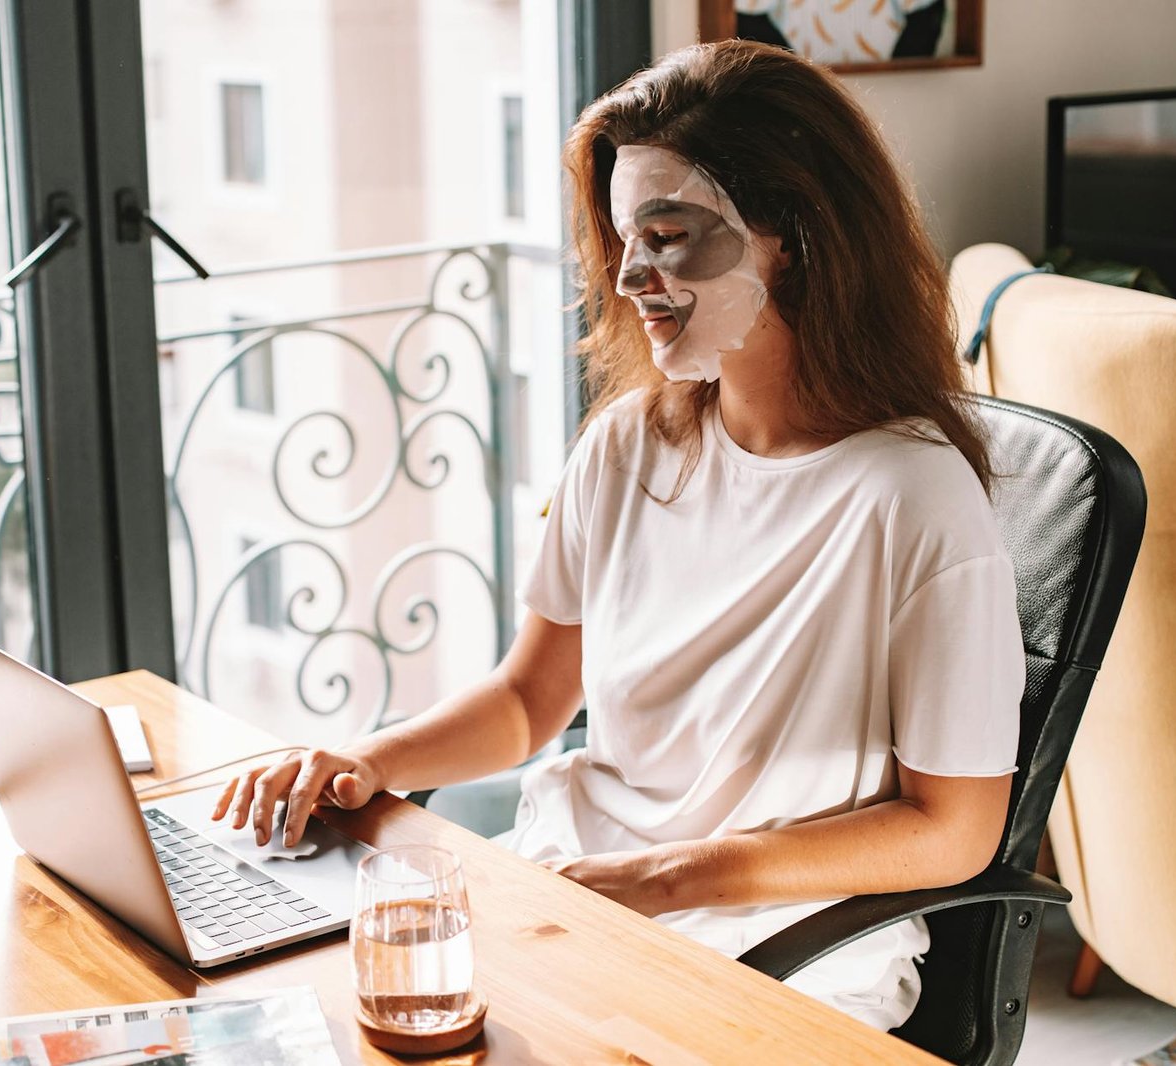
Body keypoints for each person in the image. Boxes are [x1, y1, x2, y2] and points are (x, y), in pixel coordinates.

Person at [211, 39, 1023, 1031]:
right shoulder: (629, 443)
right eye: (620, 236)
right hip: (569, 905)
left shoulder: (914, 498)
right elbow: (525, 702)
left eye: (669, 233)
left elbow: (955, 829)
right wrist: (367, 758)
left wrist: (668, 877)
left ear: (794, 241)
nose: (631, 273)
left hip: (774, 967)